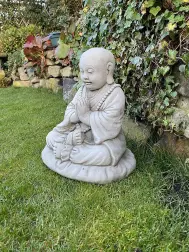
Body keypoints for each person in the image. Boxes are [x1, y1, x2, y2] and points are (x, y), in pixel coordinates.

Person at [42, 47, 136, 184]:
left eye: (90, 71)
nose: (85, 76)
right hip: (76, 135)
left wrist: (86, 116)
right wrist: (76, 120)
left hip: (104, 142)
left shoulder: (115, 94)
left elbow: (110, 124)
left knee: (104, 155)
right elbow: (70, 110)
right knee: (51, 136)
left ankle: (70, 153)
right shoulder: (82, 90)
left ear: (108, 70)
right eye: (82, 71)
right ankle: (68, 149)